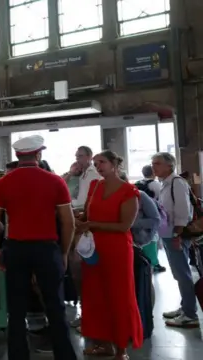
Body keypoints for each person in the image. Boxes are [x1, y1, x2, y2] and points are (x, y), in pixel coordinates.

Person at [0, 135, 76, 360]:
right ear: (39, 154)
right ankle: (65, 355)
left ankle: (18, 355)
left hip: (16, 248)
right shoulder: (55, 181)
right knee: (55, 306)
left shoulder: (4, 182)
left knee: (16, 310)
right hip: (47, 248)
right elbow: (68, 221)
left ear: (17, 156)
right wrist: (63, 252)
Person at [76, 151, 143, 359]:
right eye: (95, 163)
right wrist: (76, 218)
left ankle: (121, 347)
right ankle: (102, 343)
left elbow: (124, 226)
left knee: (118, 296)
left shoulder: (128, 191)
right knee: (95, 295)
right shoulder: (95, 187)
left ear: (115, 164)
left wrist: (92, 224)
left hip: (118, 249)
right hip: (95, 248)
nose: (98, 166)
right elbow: (87, 214)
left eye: (102, 162)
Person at [152, 152, 200, 328]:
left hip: (175, 235)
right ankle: (185, 307)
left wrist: (177, 235)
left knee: (183, 274)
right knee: (179, 274)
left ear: (169, 166)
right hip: (168, 234)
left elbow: (182, 212)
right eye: (153, 163)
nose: (154, 167)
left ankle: (190, 314)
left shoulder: (177, 183)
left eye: (157, 163)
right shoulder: (166, 183)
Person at [71, 146, 101, 210]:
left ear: (89, 157)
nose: (77, 159)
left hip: (88, 211)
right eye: (76, 156)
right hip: (77, 209)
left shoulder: (95, 173)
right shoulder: (81, 175)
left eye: (80, 156)